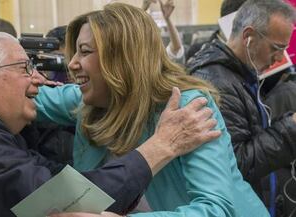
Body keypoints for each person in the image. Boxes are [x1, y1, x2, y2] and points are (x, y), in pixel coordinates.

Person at [0, 31, 220, 217]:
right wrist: (161, 146)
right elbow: (60, 199)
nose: (37, 79)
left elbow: (55, 177)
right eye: (24, 68)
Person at [29, 3, 267, 216]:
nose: (71, 63)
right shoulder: (87, 100)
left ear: (122, 59)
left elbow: (215, 209)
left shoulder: (187, 106)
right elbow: (18, 97)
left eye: (85, 51)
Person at [186, 0, 296, 216]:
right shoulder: (218, 83)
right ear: (248, 37)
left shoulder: (239, 75)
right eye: (276, 48)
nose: (277, 59)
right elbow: (237, 164)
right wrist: (291, 128)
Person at [142, 0, 185, 64]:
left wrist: (167, 19)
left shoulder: (160, 56)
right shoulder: (138, 54)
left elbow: (176, 47)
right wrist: (143, 10)